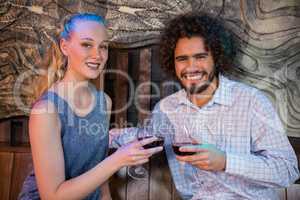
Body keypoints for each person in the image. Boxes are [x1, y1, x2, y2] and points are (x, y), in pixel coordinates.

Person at [110, 12, 299, 199]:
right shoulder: (168, 107)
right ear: (172, 63)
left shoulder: (252, 102)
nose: (190, 67)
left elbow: (287, 170)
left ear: (216, 58)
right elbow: (144, 137)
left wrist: (225, 161)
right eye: (182, 59)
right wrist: (99, 137)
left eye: (200, 57)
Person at [19, 13, 162, 200]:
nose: (97, 55)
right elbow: (52, 196)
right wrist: (118, 159)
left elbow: (99, 173)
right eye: (87, 44)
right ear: (65, 47)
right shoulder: (46, 110)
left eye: (103, 47)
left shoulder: (103, 101)